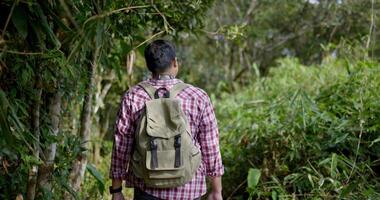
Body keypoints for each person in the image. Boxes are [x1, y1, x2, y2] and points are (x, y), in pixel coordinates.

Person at [109, 39, 224, 200]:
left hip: (147, 187)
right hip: (189, 189)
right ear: (175, 62)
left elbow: (121, 146)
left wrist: (116, 190)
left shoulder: (133, 96)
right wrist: (216, 190)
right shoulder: (198, 97)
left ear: (149, 66)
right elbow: (210, 146)